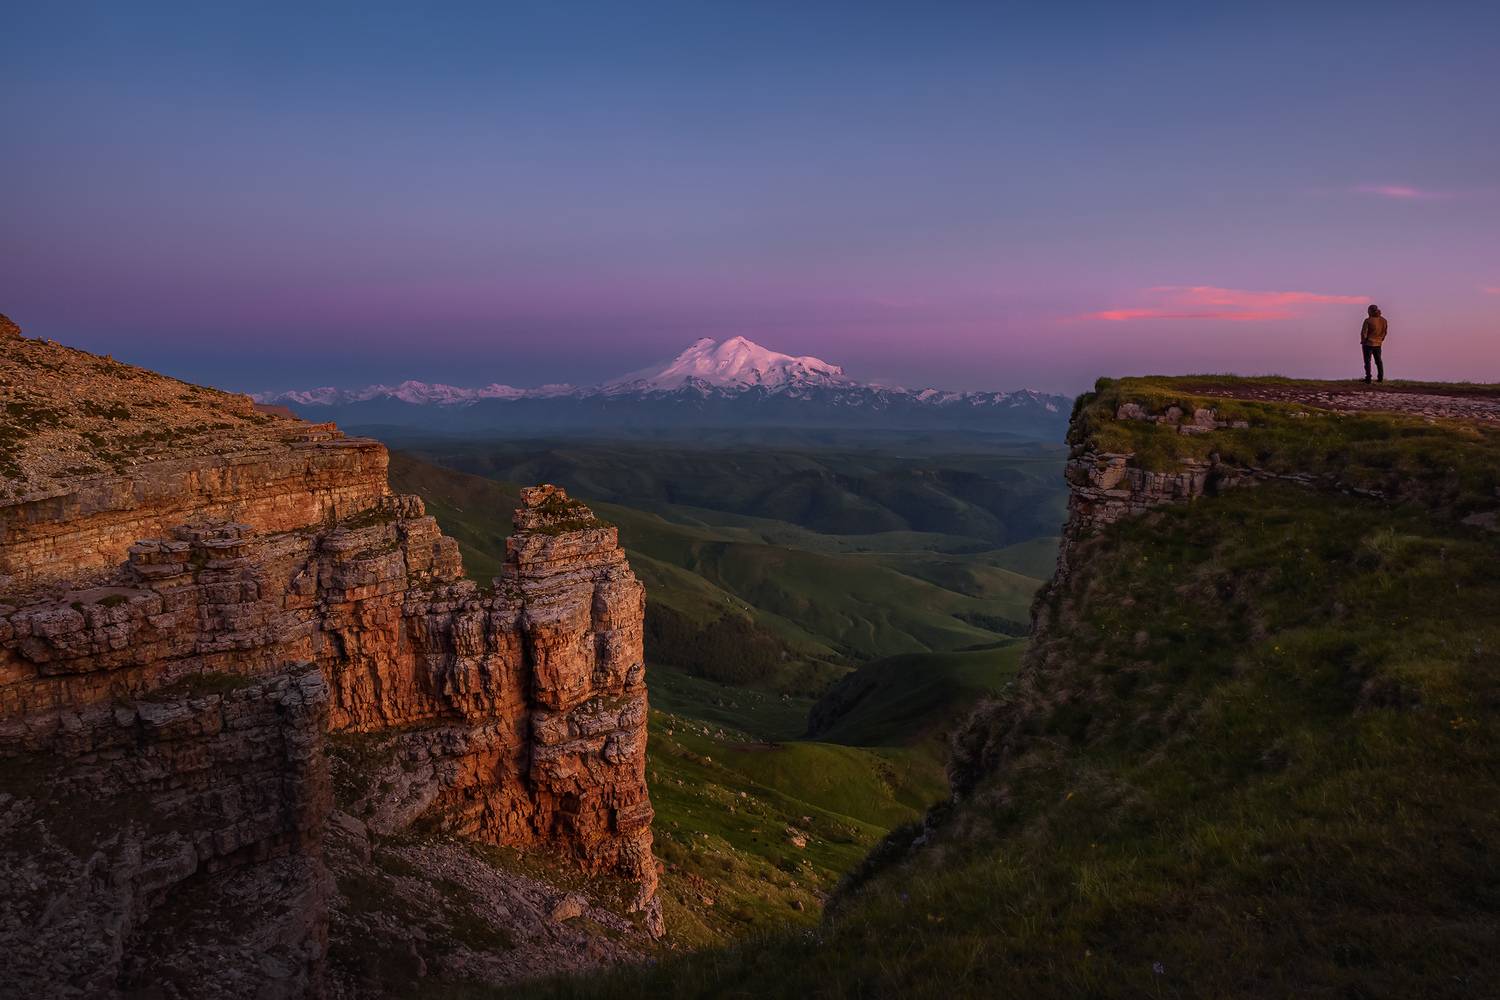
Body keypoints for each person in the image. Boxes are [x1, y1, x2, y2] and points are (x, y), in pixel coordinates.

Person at [1360, 304, 1388, 383]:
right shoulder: (1384, 320)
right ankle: (1380, 378)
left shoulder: (1368, 320)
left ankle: (1368, 378)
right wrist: (1381, 340)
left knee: (1367, 361)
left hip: (1368, 344)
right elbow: (1385, 332)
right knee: (1378, 361)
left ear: (1370, 311)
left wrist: (1363, 341)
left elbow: (1363, 333)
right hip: (1378, 344)